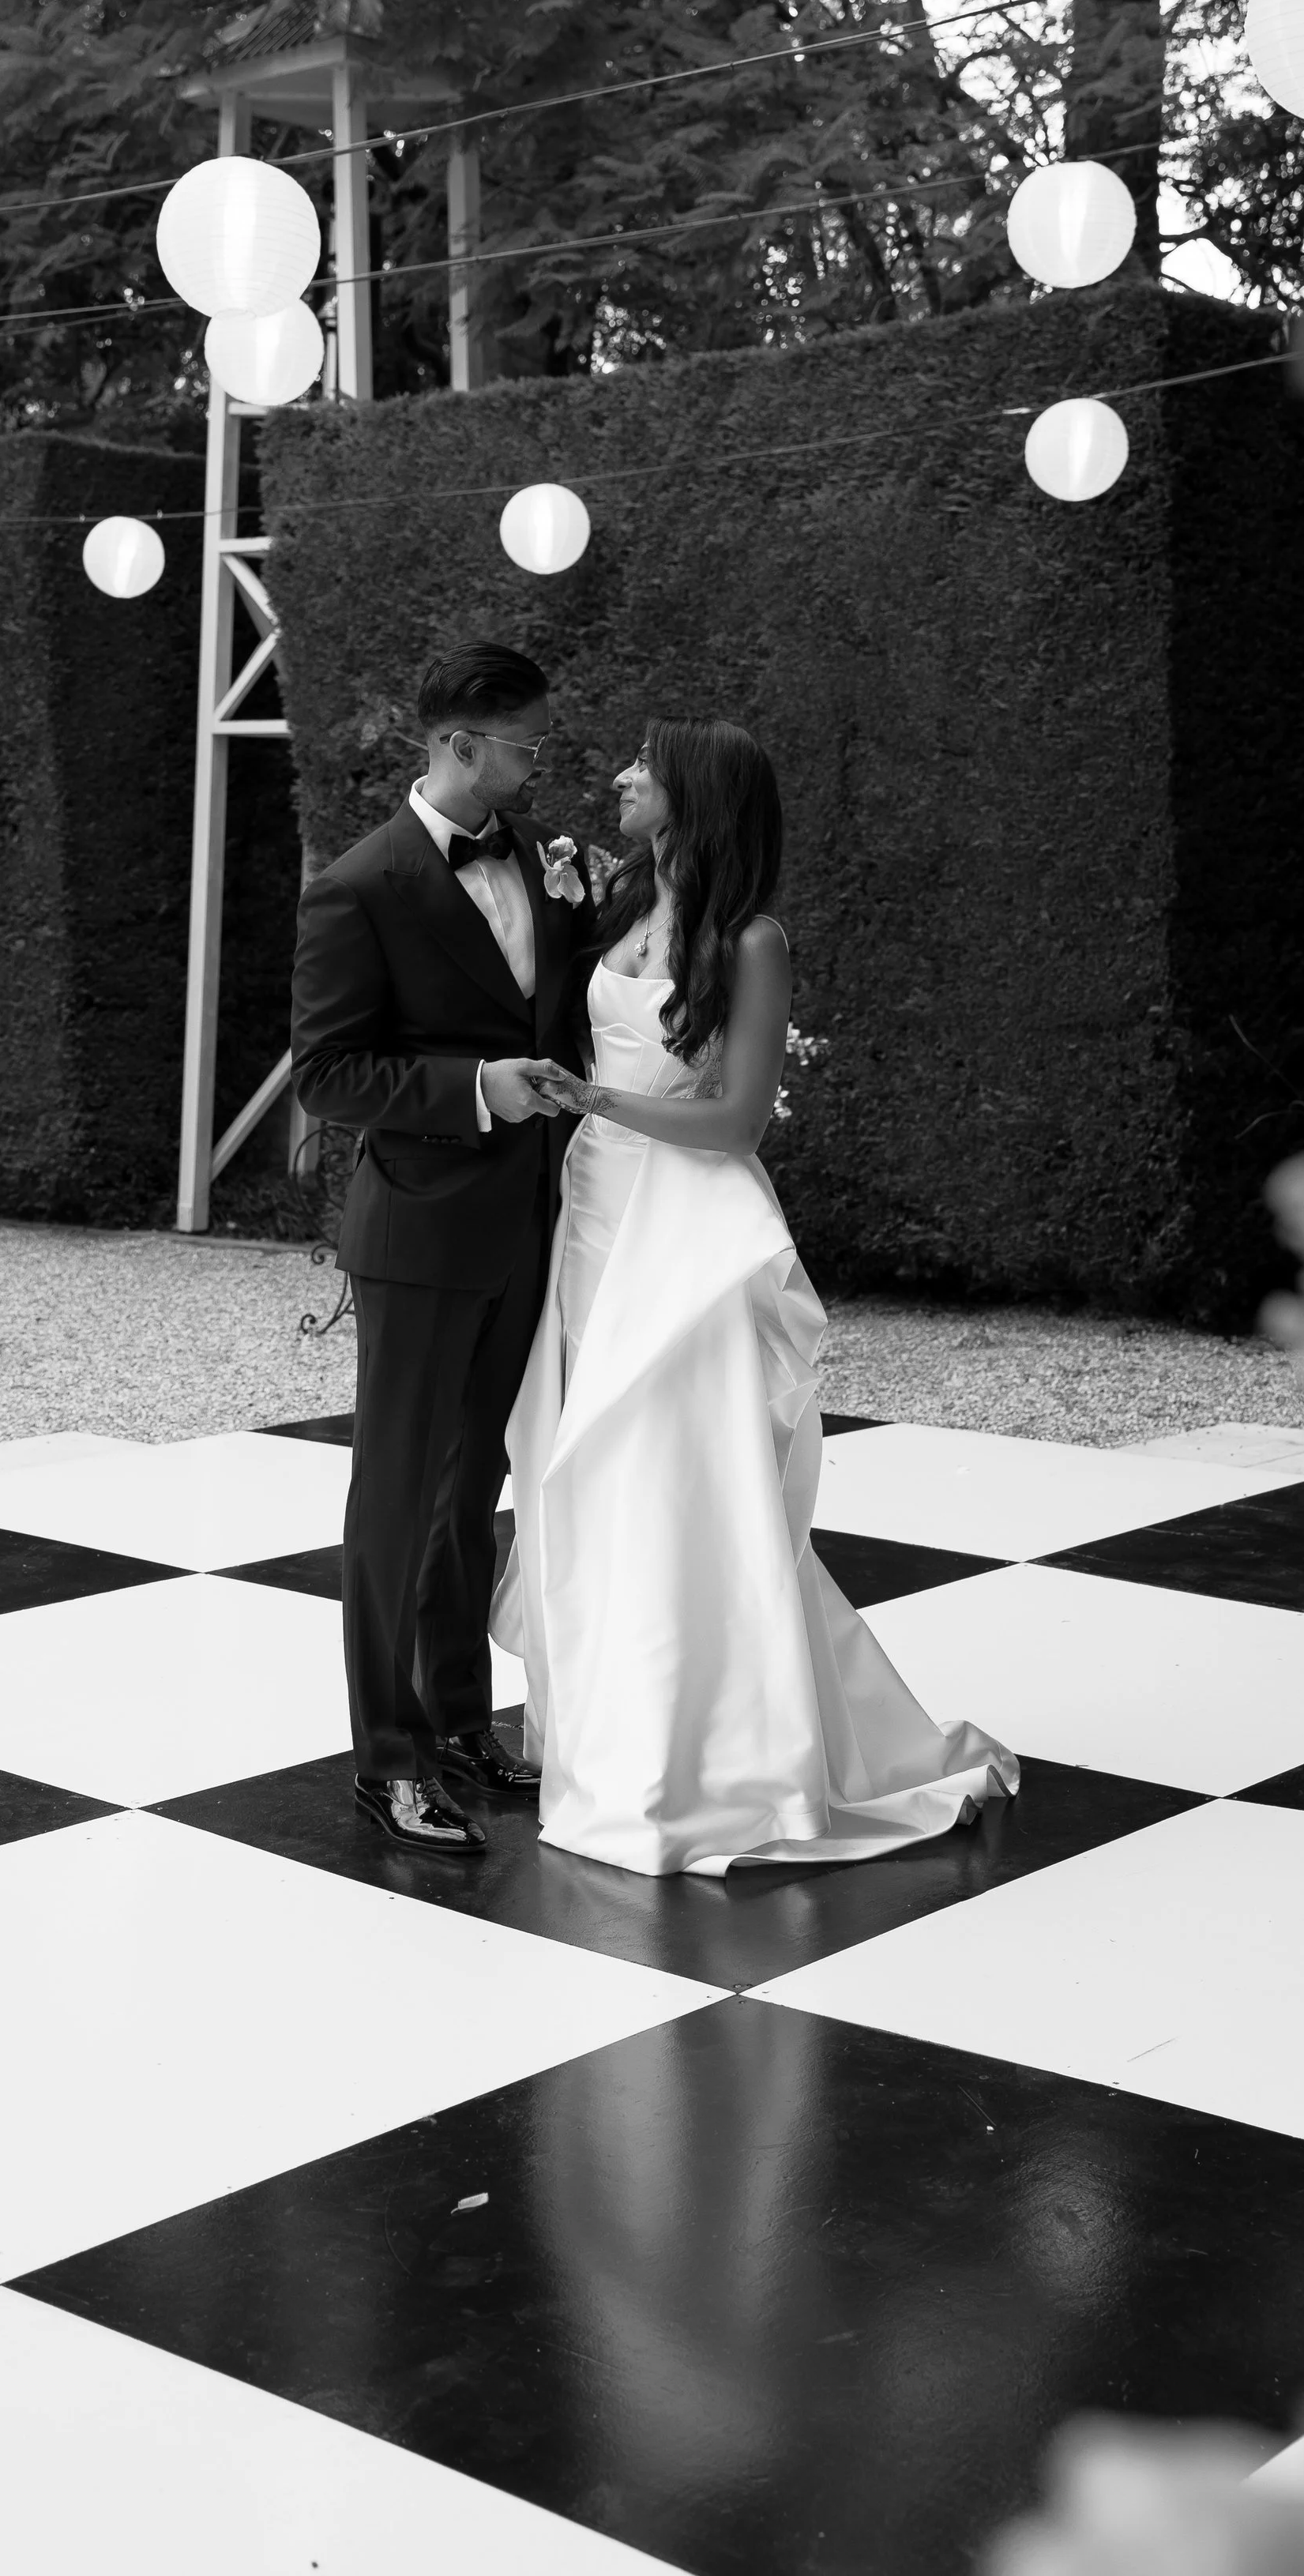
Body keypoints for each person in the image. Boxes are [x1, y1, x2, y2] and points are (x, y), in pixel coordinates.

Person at [492, 717, 1018, 1877]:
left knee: (687, 1480)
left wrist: (599, 1100)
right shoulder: (618, 908)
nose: (622, 779)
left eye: (644, 768)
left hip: (687, 1223)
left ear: (690, 800)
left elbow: (735, 1118)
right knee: (588, 1467)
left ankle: (713, 1756)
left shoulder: (753, 940)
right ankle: (610, 1731)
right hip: (592, 1214)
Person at [290, 641, 593, 1856]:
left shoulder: (542, 855)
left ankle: (462, 1725)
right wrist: (479, 1087)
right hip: (417, 1228)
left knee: (474, 1494)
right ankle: (388, 1760)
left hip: (527, 1221)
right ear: (460, 744)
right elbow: (327, 1072)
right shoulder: (361, 886)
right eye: (524, 744)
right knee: (397, 1496)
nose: (539, 763)